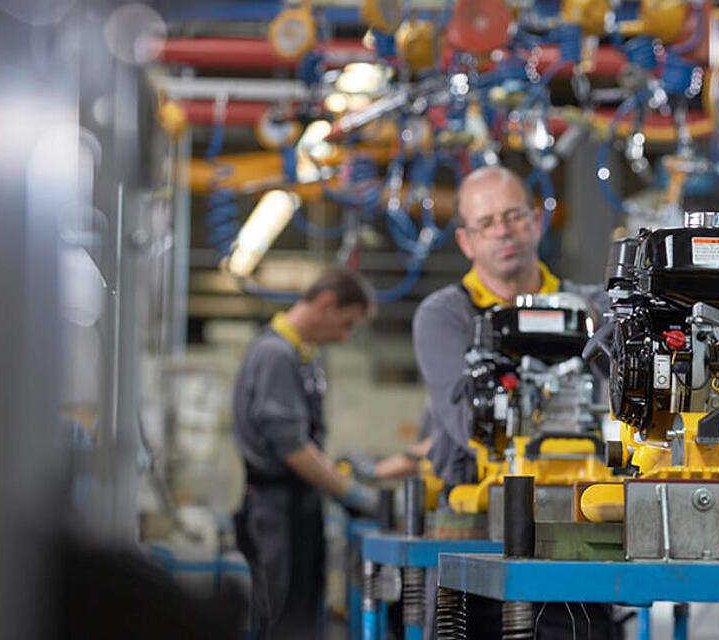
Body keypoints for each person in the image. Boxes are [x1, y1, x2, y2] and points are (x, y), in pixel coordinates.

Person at [409, 165, 619, 639]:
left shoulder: (590, 308)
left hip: (578, 526)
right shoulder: (446, 314)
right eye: (486, 223)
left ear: (537, 221)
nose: (503, 230)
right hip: (475, 530)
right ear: (466, 241)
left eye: (513, 216)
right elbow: (467, 424)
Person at [232, 267, 384, 638]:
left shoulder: (303, 356)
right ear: (326, 303)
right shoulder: (275, 355)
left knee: (302, 612)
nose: (346, 337)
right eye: (346, 324)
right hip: (274, 508)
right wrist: (352, 494)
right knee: (282, 617)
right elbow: (294, 449)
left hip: (298, 506)